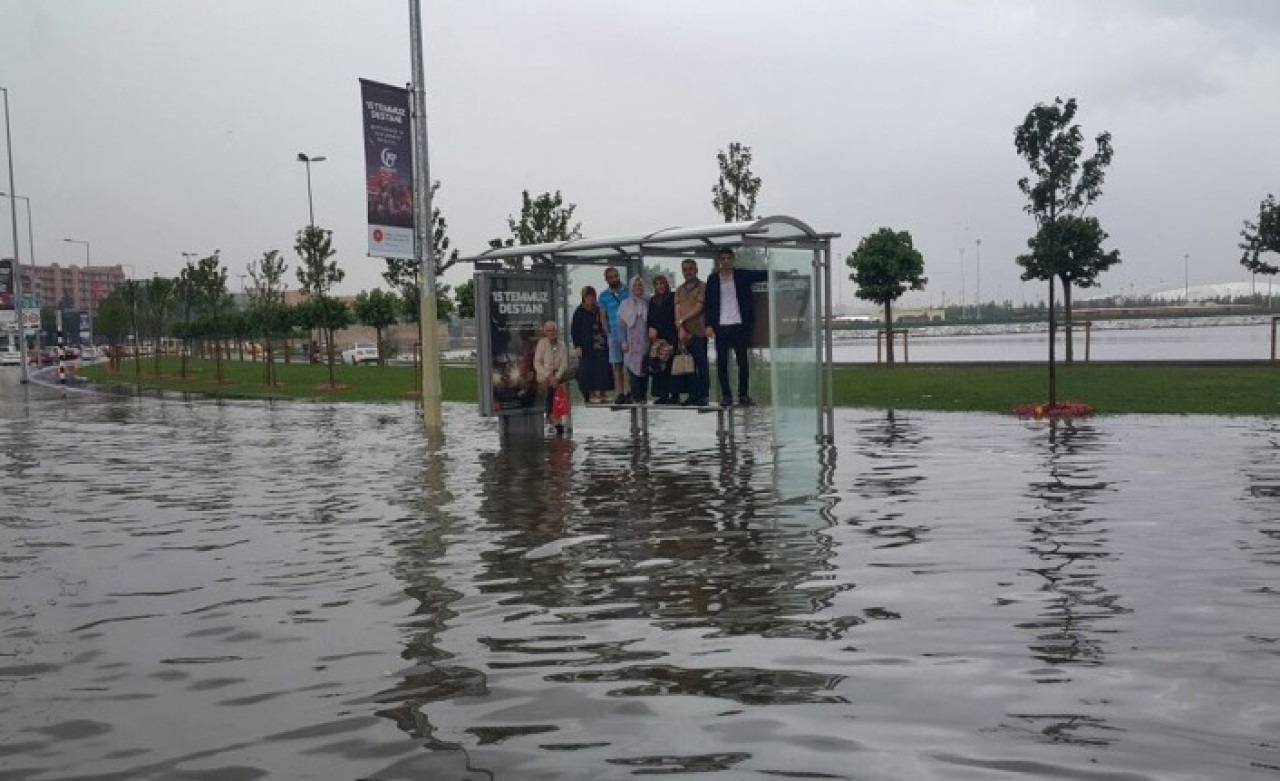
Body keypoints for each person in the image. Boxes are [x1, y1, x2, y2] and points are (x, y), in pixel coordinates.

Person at [704, 248, 767, 407]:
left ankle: (743, 395)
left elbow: (762, 274)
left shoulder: (741, 275)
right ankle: (726, 395)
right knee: (722, 362)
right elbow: (709, 303)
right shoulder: (712, 279)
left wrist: (783, 271)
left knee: (742, 361)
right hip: (721, 326)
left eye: (728, 258)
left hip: (739, 324)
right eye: (723, 258)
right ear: (719, 261)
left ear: (733, 259)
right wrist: (709, 325)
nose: (726, 261)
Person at [674, 258, 710, 406]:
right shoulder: (679, 290)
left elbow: (699, 308)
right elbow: (677, 309)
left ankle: (704, 395)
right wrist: (680, 328)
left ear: (696, 270)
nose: (688, 272)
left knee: (701, 365)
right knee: (688, 366)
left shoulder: (703, 287)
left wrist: (682, 320)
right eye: (685, 269)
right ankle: (692, 395)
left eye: (690, 269)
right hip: (684, 334)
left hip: (699, 332)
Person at [570, 285, 613, 404]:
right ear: (583, 298)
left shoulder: (600, 309)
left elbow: (606, 322)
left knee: (603, 368)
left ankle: (603, 393)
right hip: (586, 345)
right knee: (588, 370)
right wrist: (577, 345)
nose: (591, 299)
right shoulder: (579, 311)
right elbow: (575, 330)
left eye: (592, 296)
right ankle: (592, 394)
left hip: (601, 343)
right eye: (588, 297)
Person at [616, 276, 650, 404]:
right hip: (631, 343)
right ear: (631, 287)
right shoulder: (625, 304)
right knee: (632, 369)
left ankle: (643, 396)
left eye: (640, 285)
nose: (637, 288)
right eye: (635, 285)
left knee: (644, 368)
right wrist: (623, 342)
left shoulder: (648, 301)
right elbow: (620, 325)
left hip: (645, 342)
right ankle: (635, 397)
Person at [599, 266, 629, 405]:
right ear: (606, 279)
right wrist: (608, 334)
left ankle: (630, 392)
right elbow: (603, 317)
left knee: (629, 364)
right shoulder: (603, 296)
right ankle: (620, 393)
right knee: (616, 365)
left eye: (615, 276)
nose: (613, 279)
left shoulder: (628, 291)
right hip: (614, 334)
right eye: (610, 277)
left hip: (629, 333)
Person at [646, 273, 679, 404]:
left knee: (672, 365)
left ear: (666, 284)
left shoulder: (672, 297)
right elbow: (649, 318)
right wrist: (650, 328)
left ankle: (675, 395)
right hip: (657, 338)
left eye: (662, 283)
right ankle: (663, 395)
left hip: (671, 336)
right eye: (657, 284)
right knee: (659, 366)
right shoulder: (652, 301)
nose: (660, 286)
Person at [534, 320, 569, 435]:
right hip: (545, 376)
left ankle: (553, 417)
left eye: (553, 330)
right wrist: (549, 376)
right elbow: (537, 363)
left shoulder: (562, 344)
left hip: (558, 376)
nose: (551, 332)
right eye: (548, 331)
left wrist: (557, 377)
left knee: (575, 372)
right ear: (545, 332)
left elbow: (564, 364)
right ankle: (554, 420)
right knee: (550, 389)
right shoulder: (542, 344)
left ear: (557, 331)